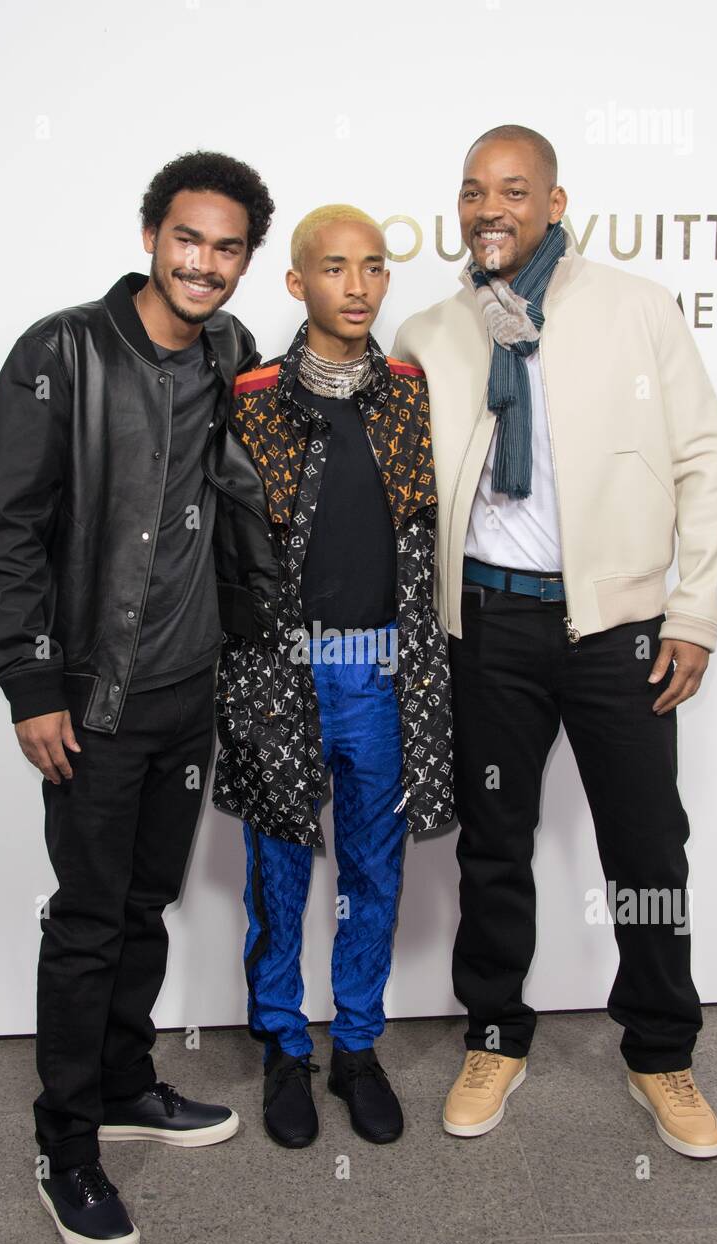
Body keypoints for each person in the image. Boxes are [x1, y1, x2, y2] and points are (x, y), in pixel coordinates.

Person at [393, 125, 717, 1158]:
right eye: (471, 190)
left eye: (512, 189)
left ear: (552, 201)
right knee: (495, 846)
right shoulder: (431, 332)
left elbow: (702, 459)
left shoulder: (635, 308)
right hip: (488, 626)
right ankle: (496, 1033)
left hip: (615, 631)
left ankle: (659, 1051)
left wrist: (694, 609)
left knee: (647, 847)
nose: (489, 207)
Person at [0, 150, 273, 1244]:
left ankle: (129, 1082)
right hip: (94, 700)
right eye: (188, 238)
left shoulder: (232, 353)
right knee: (88, 918)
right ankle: (66, 1144)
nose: (205, 263)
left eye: (228, 247)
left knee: (145, 900)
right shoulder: (63, 353)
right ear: (151, 237)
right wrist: (33, 686)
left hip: (192, 695)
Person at [210, 204, 454, 1148]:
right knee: (275, 874)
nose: (358, 286)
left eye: (375, 267)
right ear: (296, 282)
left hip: (383, 675)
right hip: (277, 672)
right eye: (335, 268)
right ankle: (281, 1046)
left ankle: (355, 1046)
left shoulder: (411, 393)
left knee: (372, 870)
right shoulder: (253, 396)